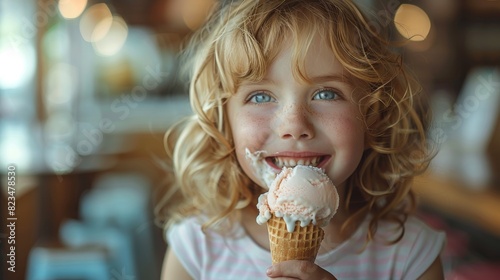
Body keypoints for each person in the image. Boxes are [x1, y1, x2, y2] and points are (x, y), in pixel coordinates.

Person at [156, 0, 446, 279]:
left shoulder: (411, 256)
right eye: (260, 96)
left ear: (372, 116)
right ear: (223, 122)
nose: (294, 126)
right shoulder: (196, 249)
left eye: (326, 93)